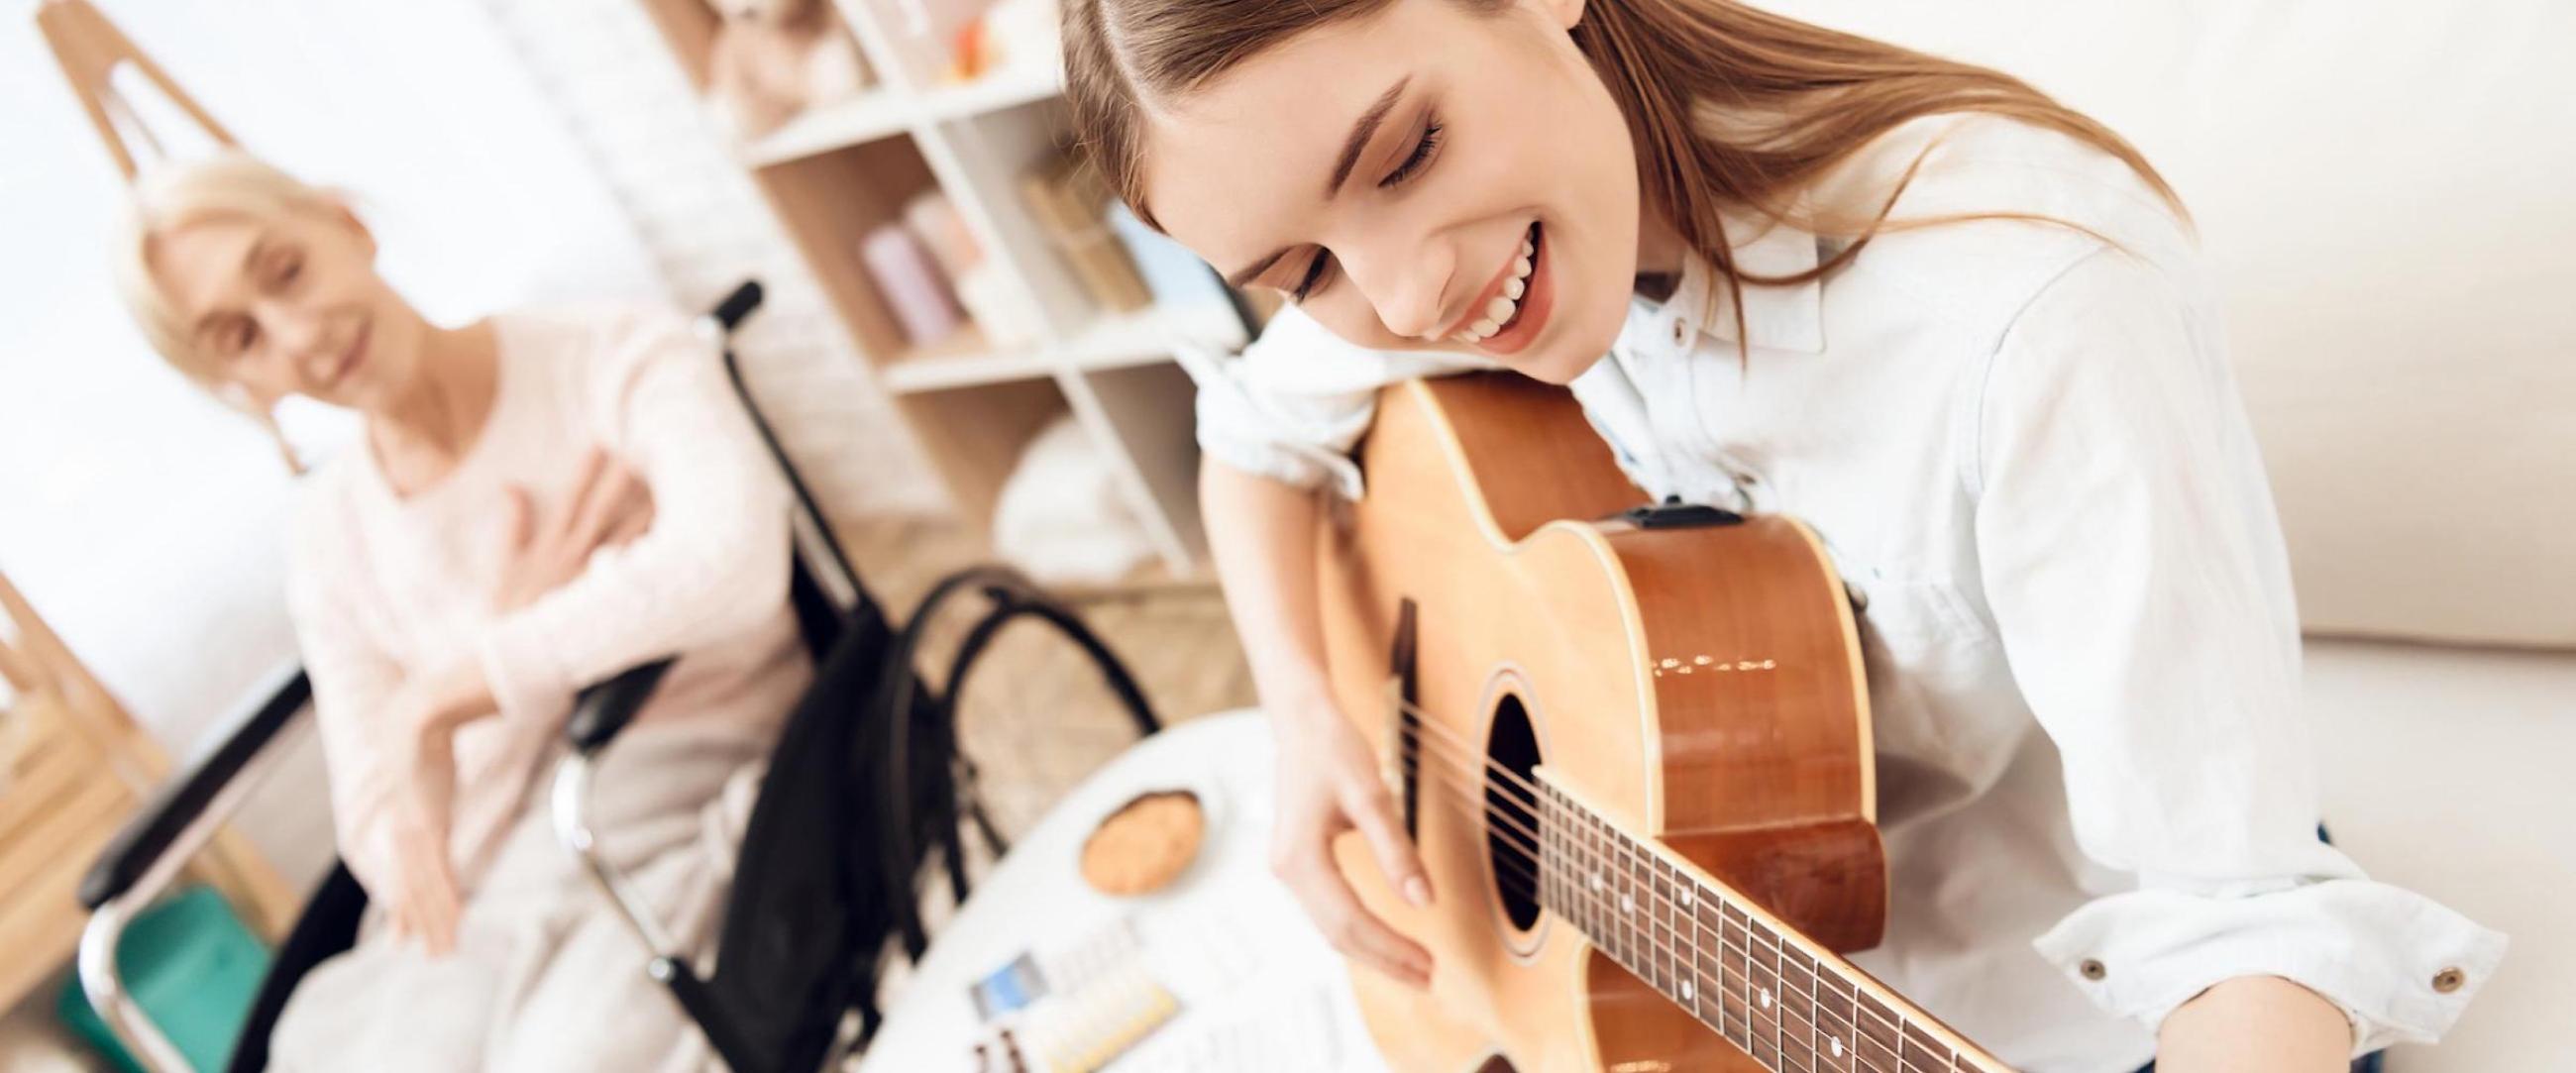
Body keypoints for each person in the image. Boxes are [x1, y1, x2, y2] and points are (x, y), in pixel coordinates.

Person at [1060, 1, 2505, 1070]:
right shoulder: (1511, 253)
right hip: (1742, 946)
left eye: (1408, 154)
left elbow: (2240, 917)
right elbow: (1253, 439)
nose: (1408, 292)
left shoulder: (2029, 306)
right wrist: (1310, 716)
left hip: (2101, 994)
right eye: (1302, 269)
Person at [114, 151, 807, 1071]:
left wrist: (450, 696)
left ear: (345, 222)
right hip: (494, 884)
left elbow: (734, 563)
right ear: (238, 383)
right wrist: (513, 625)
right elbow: (392, 847)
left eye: (285, 270)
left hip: (686, 783)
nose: (300, 335)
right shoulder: (331, 541)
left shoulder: (611, 354)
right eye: (241, 338)